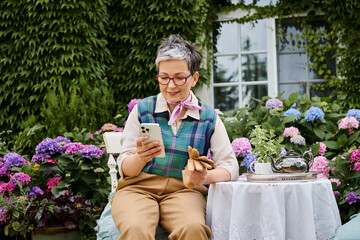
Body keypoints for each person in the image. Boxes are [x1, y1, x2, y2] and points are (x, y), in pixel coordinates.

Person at [111, 34, 239, 240]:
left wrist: (205, 177)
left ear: (194, 78)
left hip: (184, 192)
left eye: (179, 77)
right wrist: (141, 158)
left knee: (193, 229)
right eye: (164, 77)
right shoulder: (142, 110)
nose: (170, 86)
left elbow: (230, 166)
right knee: (136, 229)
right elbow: (125, 165)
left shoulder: (209, 118)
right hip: (137, 189)